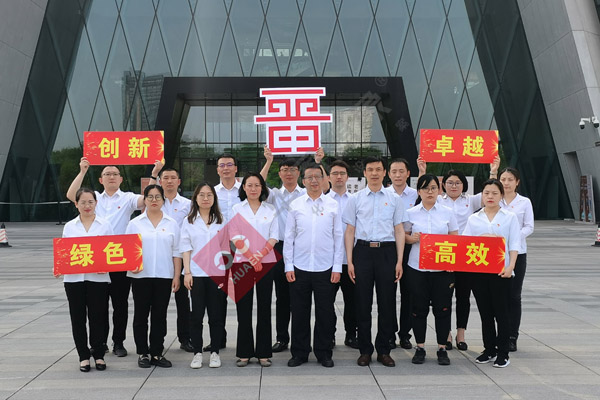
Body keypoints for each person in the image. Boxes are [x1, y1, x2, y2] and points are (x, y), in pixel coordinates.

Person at [66, 157, 162, 357]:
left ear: (120, 179)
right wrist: (82, 171)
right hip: (94, 260)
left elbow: (147, 197)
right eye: (107, 174)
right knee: (98, 306)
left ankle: (118, 341)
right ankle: (100, 342)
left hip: (118, 258)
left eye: (115, 174)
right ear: (101, 180)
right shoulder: (93, 199)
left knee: (120, 304)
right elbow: (71, 195)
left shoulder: (127, 198)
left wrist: (154, 175)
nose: (111, 177)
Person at [417, 156, 499, 350]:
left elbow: (491, 191)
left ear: (464, 185)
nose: (454, 186)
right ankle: (446, 334)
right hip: (443, 255)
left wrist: (493, 171)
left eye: (458, 183)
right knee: (443, 297)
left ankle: (461, 334)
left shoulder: (470, 201)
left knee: (463, 296)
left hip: (465, 256)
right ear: (443, 185)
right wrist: (422, 171)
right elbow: (422, 191)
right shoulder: (438, 200)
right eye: (450, 183)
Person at [343, 156, 406, 367]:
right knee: (362, 303)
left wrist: (399, 261)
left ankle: (384, 350)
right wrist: (350, 261)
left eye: (378, 169)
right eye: (370, 169)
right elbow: (350, 230)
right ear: (364, 173)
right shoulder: (355, 199)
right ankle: (365, 350)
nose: (374, 173)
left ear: (384, 172)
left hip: (387, 252)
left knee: (387, 304)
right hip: (362, 252)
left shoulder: (394, 199)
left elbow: (399, 230)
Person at [284, 164, 343, 368]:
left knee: (325, 313)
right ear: (303, 181)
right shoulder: (296, 205)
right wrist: (288, 266)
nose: (314, 180)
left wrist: (337, 267)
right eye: (310, 177)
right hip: (299, 267)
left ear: (325, 179)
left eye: (318, 176)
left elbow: (338, 237)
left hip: (325, 268)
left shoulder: (333, 205)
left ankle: (323, 352)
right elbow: (289, 237)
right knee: (299, 312)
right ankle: (299, 353)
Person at [259, 146, 313, 352]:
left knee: (301, 297)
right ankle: (282, 338)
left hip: (302, 248)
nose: (288, 173)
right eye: (284, 170)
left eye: (292, 169)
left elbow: (325, 187)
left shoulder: (307, 194)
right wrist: (269, 161)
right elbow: (258, 183)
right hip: (279, 249)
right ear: (280, 174)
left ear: (299, 173)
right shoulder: (274, 195)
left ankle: (302, 339)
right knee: (282, 297)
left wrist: (318, 161)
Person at [463, 179, 520, 368]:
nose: (490, 196)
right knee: (485, 313)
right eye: (486, 193)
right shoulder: (474, 218)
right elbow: (465, 244)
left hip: (501, 272)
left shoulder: (509, 217)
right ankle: (489, 349)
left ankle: (503, 352)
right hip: (479, 272)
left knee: (502, 314)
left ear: (501, 195)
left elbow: (515, 244)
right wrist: (482, 238)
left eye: (495, 193)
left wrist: (511, 267)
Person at [404, 174, 459, 365]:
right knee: (418, 309)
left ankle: (442, 348)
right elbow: (403, 236)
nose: (430, 192)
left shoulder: (447, 212)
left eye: (433, 188)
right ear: (419, 191)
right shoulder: (410, 213)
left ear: (439, 190)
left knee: (442, 309)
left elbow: (454, 238)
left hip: (442, 270)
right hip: (416, 268)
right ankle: (420, 347)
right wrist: (412, 239)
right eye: (425, 188)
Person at [126, 185, 181, 368]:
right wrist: (131, 265)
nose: (154, 200)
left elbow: (177, 252)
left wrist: (176, 276)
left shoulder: (171, 223)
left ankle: (156, 352)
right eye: (150, 197)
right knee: (141, 315)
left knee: (159, 315)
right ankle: (143, 352)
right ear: (145, 200)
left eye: (158, 197)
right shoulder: (135, 223)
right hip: (141, 276)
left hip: (164, 276)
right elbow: (127, 250)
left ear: (163, 200)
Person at [60, 188, 112, 372]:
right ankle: (83, 356)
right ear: (76, 204)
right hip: (74, 280)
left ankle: (98, 354)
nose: (87, 206)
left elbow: (111, 250)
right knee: (78, 318)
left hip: (98, 279)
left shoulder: (105, 225)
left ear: (96, 203)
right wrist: (58, 266)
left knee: (98, 317)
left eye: (90, 202)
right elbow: (64, 252)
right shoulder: (70, 226)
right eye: (83, 202)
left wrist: (107, 265)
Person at [230, 173, 278, 367]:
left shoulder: (270, 209)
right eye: (249, 185)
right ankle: (244, 352)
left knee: (264, 307)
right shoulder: (236, 209)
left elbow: (274, 236)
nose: (253, 189)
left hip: (266, 262)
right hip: (242, 262)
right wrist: (251, 256)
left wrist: (260, 255)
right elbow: (234, 236)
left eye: (257, 185)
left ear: (262, 188)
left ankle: (263, 353)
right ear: (243, 187)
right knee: (244, 307)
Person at [180, 183, 228, 369]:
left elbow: (226, 248)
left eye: (209, 195)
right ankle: (197, 353)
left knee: (216, 315)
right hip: (196, 274)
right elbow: (185, 248)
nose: (205, 198)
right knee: (196, 315)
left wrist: (226, 273)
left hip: (216, 274)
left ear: (214, 198)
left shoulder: (221, 220)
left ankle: (215, 352)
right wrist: (187, 272)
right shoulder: (189, 221)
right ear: (196, 198)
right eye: (202, 195)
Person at [205, 154, 241, 352]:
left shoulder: (245, 190)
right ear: (217, 170)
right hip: (218, 249)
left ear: (236, 168)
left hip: (242, 248)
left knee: (243, 294)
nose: (225, 168)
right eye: (222, 165)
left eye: (229, 164)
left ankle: (245, 342)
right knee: (217, 296)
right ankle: (218, 339)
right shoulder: (211, 193)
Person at [156, 166, 193, 353]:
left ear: (179, 182)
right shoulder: (154, 203)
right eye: (166, 178)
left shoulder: (188, 204)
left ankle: (185, 338)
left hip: (183, 256)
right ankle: (158, 340)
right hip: (160, 257)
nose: (169, 181)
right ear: (160, 181)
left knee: (184, 302)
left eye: (173, 178)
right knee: (159, 302)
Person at [498, 167, 534, 352]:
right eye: (503, 179)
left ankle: (512, 336)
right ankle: (500, 335)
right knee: (499, 296)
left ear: (517, 182)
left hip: (518, 253)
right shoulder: (495, 200)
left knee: (514, 296)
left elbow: (529, 226)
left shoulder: (524, 202)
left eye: (510, 179)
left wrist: (514, 236)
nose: (506, 183)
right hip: (496, 254)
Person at [386, 158, 418, 350]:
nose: (397, 175)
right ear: (388, 174)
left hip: (411, 248)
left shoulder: (416, 194)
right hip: (390, 247)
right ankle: (389, 333)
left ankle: (405, 334)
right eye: (394, 171)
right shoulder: (383, 194)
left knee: (409, 293)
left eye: (401, 171)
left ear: (408, 173)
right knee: (388, 293)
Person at [327, 160, 358, 349]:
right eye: (335, 173)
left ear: (347, 177)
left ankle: (351, 335)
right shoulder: (322, 201)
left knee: (352, 301)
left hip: (350, 260)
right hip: (328, 261)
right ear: (328, 177)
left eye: (342, 173)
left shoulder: (355, 200)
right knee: (326, 302)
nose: (339, 177)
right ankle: (329, 335)